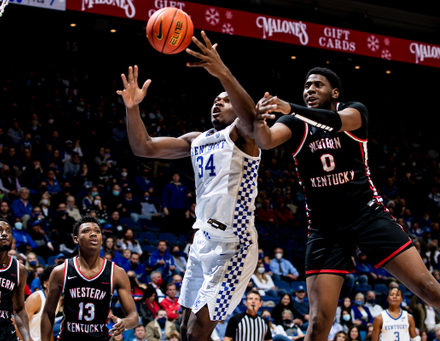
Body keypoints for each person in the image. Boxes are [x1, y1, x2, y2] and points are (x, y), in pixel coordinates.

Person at [252, 66, 440, 341]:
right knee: (317, 326)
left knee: (427, 288)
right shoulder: (295, 123)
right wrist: (258, 120)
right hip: (325, 230)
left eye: (318, 85)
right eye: (306, 86)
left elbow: (336, 123)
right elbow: (265, 141)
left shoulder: (355, 111)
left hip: (367, 216)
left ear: (335, 92)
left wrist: (289, 106)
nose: (310, 90)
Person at [118, 31, 261, 341]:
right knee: (184, 329)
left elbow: (250, 117)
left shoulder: (245, 136)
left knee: (198, 331)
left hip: (233, 244)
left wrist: (222, 72)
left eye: (225, 101)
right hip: (202, 242)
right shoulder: (197, 140)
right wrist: (132, 108)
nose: (218, 104)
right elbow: (144, 147)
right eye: (215, 100)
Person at [41, 215, 138, 341]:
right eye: (86, 231)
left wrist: (125, 322)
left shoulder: (117, 273)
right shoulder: (61, 271)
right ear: (76, 239)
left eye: (97, 231)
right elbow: (48, 313)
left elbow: (133, 316)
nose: (93, 234)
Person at [25, 265, 56, 341]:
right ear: (45, 284)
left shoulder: (56, 301)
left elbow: (49, 330)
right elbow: (19, 326)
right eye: (53, 281)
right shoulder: (36, 298)